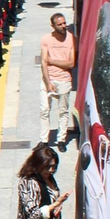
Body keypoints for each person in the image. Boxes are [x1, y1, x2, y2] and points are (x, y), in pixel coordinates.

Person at [39, 14, 76, 148]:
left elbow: (71, 63)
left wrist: (52, 61)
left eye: (64, 23)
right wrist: (48, 83)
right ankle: (44, 140)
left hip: (64, 80)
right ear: (53, 26)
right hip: (49, 79)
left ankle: (61, 139)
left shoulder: (72, 39)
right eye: (60, 24)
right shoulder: (45, 39)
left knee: (63, 111)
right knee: (44, 110)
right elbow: (43, 62)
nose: (63, 26)